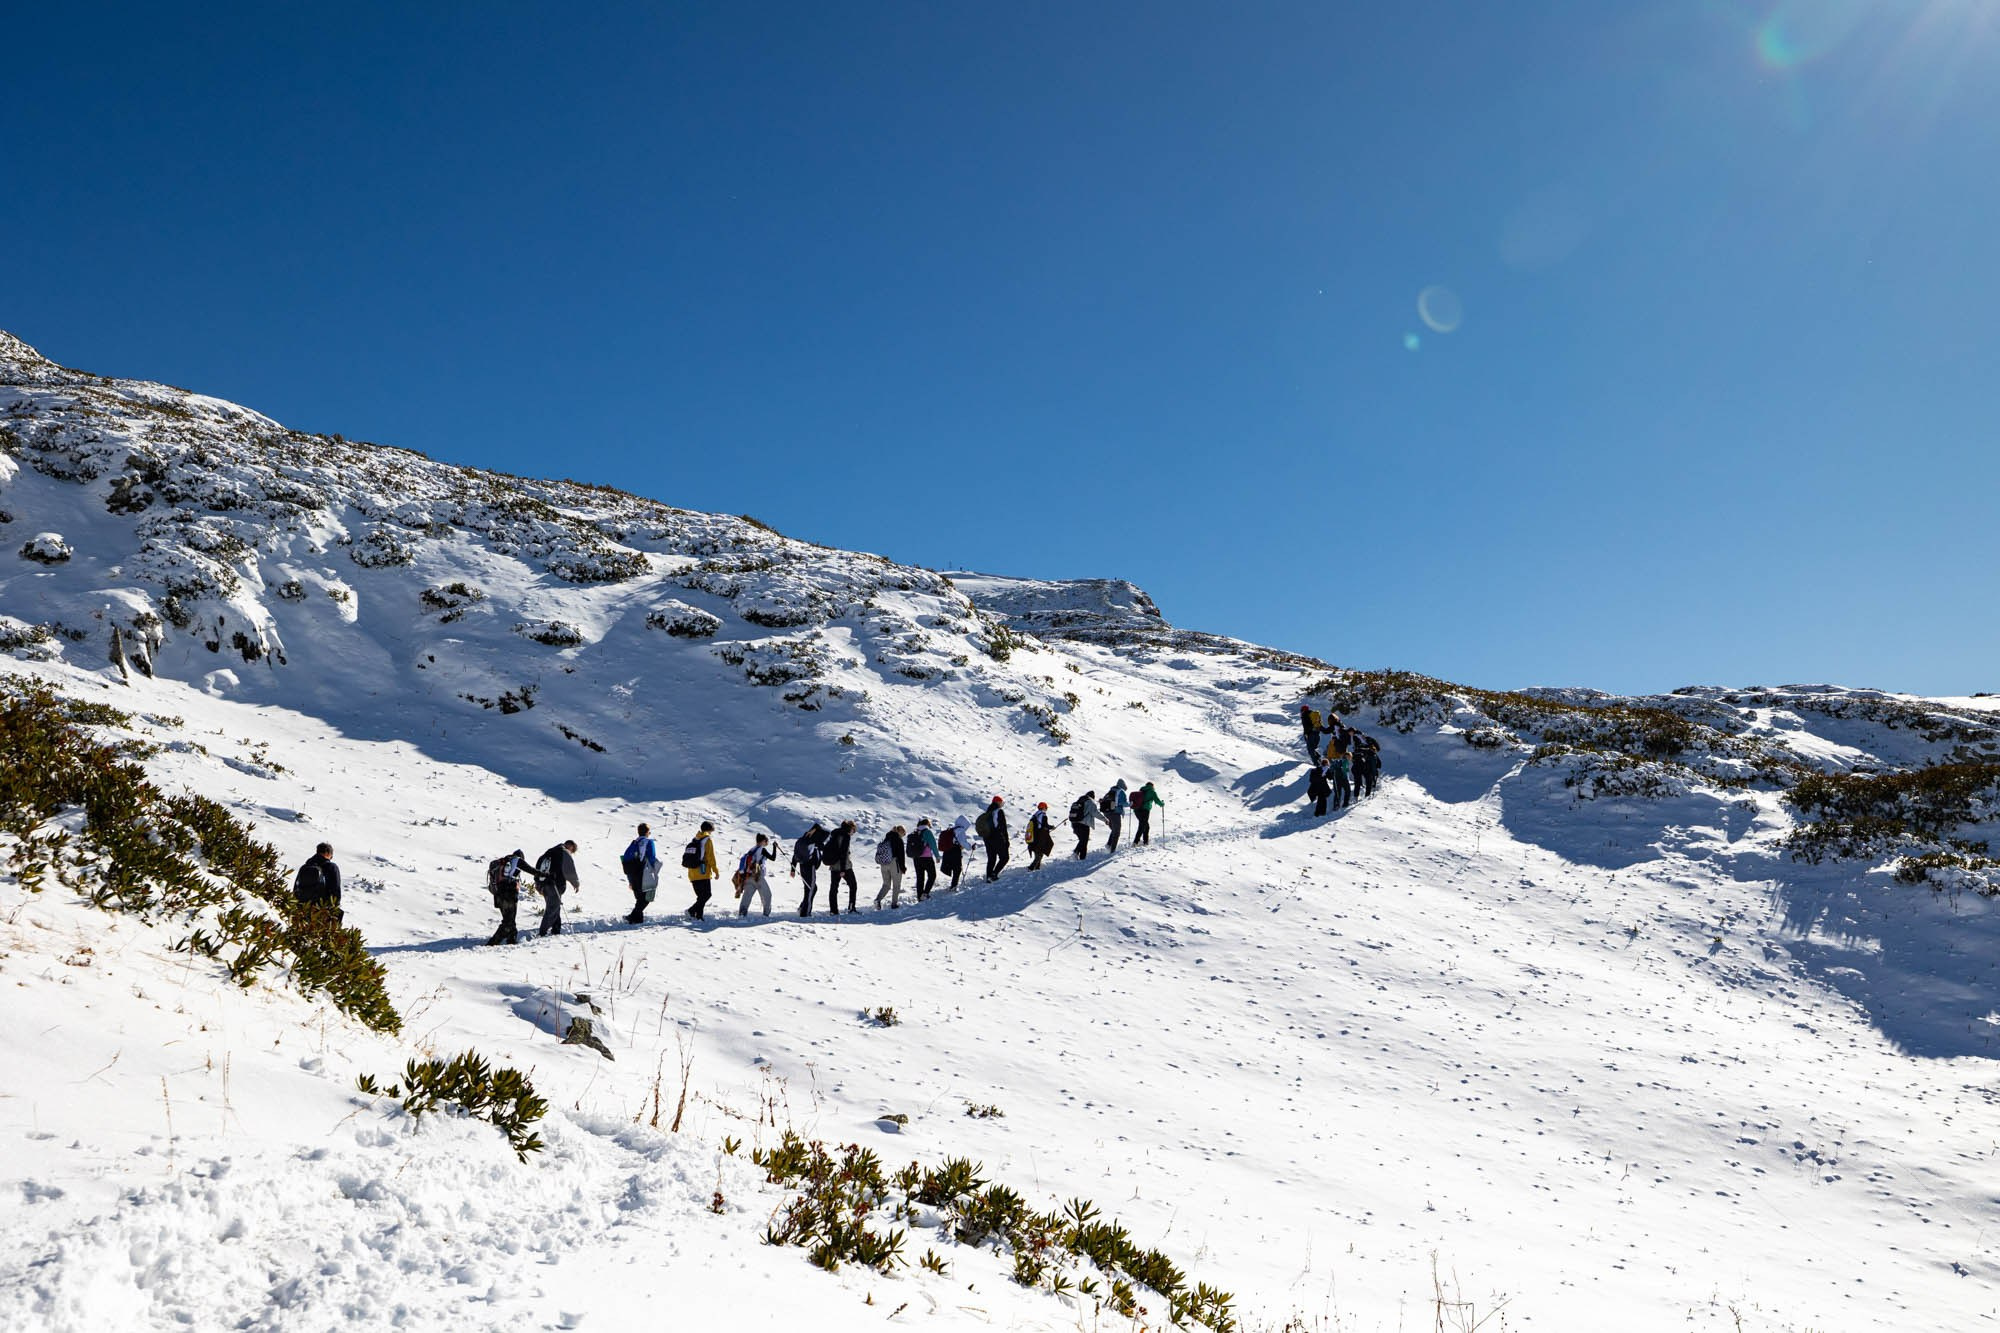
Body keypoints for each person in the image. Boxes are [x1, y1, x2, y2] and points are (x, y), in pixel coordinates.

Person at [534, 840, 580, 937]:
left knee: (555, 907)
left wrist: (538, 883)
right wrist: (575, 883)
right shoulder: (564, 852)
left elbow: (538, 867)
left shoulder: (550, 852)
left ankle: (556, 930)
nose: (571, 852)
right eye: (572, 850)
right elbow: (569, 870)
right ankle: (542, 933)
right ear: (570, 846)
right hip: (554, 885)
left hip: (544, 884)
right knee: (552, 909)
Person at [293, 842, 342, 924]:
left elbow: (296, 887)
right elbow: (335, 890)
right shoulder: (331, 867)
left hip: (303, 909)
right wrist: (334, 909)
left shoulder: (305, 867)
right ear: (328, 853)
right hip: (322, 910)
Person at [621, 822, 660, 924]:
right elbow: (651, 858)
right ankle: (631, 916)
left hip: (632, 873)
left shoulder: (634, 843)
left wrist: (630, 880)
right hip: (642, 872)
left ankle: (637, 920)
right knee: (646, 898)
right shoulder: (648, 842)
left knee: (639, 897)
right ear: (647, 832)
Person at [485, 849, 526, 946]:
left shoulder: (502, 863)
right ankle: (493, 943)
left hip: (498, 896)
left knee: (509, 920)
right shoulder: (513, 864)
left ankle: (511, 941)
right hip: (509, 896)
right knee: (508, 922)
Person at [822, 819, 859, 913]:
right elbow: (843, 853)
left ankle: (833, 910)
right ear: (851, 828)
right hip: (844, 867)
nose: (853, 833)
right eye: (854, 831)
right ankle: (851, 908)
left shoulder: (835, 833)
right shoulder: (845, 835)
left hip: (833, 865)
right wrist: (843, 870)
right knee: (853, 885)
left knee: (834, 888)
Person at [791, 821, 828, 916]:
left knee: (812, 888)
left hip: (802, 867)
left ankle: (802, 907)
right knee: (810, 889)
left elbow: (795, 855)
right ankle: (805, 913)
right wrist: (816, 829)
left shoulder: (803, 839)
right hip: (809, 868)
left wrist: (793, 869)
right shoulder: (814, 840)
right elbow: (827, 833)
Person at [684, 821, 718, 920]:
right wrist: (716, 870)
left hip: (692, 872)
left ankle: (699, 916)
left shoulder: (695, 839)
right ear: (710, 829)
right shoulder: (707, 839)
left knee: (701, 896)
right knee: (707, 894)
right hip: (703, 872)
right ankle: (691, 911)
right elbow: (710, 857)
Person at [735, 834, 776, 917]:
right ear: (763, 841)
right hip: (758, 876)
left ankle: (742, 913)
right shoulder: (762, 850)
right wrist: (775, 847)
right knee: (767, 895)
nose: (767, 842)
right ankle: (766, 914)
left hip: (748, 876)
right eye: (766, 841)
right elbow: (773, 858)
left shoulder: (752, 849)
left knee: (747, 895)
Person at [975, 797, 1009, 882]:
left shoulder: (988, 812)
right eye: (1001, 802)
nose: (1002, 804)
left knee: (991, 858)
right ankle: (994, 874)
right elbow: (1003, 827)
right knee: (1005, 857)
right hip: (997, 837)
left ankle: (988, 877)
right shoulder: (999, 812)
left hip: (987, 838)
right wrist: (1006, 840)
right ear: (997, 802)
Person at [873, 825, 907, 909]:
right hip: (894, 863)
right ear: (901, 832)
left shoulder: (886, 838)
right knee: (896, 885)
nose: (904, 835)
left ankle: (878, 900)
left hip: (884, 864)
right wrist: (903, 868)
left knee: (886, 884)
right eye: (904, 833)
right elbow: (901, 855)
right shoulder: (898, 840)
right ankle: (894, 904)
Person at [908, 818, 938, 900]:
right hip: (927, 858)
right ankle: (925, 893)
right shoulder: (927, 832)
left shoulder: (915, 832)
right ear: (927, 824)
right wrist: (937, 856)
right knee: (932, 876)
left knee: (920, 878)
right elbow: (933, 845)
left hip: (916, 858)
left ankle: (919, 896)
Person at [942, 815, 972, 891]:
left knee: (954, 868)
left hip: (948, 851)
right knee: (957, 869)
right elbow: (963, 843)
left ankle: (953, 885)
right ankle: (954, 886)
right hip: (955, 852)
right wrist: (970, 847)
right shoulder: (961, 830)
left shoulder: (952, 829)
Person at [1069, 791, 1100, 858]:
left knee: (1083, 841)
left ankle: (1080, 856)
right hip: (1083, 825)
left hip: (1074, 824)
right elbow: (1096, 813)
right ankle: (1077, 854)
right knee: (1084, 841)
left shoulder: (1078, 801)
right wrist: (1105, 820)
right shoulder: (1090, 802)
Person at [1025, 802, 1055, 869]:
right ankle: (1032, 867)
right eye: (1046, 808)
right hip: (1039, 837)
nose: (1046, 809)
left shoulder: (1035, 815)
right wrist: (1051, 827)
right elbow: (1044, 825)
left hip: (1034, 837)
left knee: (1038, 851)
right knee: (1040, 852)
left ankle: (1037, 866)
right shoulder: (1043, 815)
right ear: (1043, 808)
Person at [1132, 781, 1163, 845]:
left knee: (1146, 826)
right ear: (1152, 786)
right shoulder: (1152, 791)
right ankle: (1136, 842)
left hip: (1137, 810)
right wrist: (1162, 804)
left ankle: (1145, 842)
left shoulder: (1141, 790)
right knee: (1142, 826)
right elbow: (1157, 801)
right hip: (1145, 810)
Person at [1103, 780, 1130, 852]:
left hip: (1106, 813)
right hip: (1115, 813)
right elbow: (1121, 803)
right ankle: (1112, 850)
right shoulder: (1120, 792)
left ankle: (1109, 844)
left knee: (1114, 830)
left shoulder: (1111, 791)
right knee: (1117, 831)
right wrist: (1130, 804)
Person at [1327, 735, 1353, 809]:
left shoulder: (1341, 760)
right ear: (1347, 756)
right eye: (1350, 757)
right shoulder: (1344, 761)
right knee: (1346, 791)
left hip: (1338, 778)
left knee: (1338, 793)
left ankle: (1337, 805)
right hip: (1340, 778)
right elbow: (1345, 771)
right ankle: (1344, 804)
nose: (1350, 759)